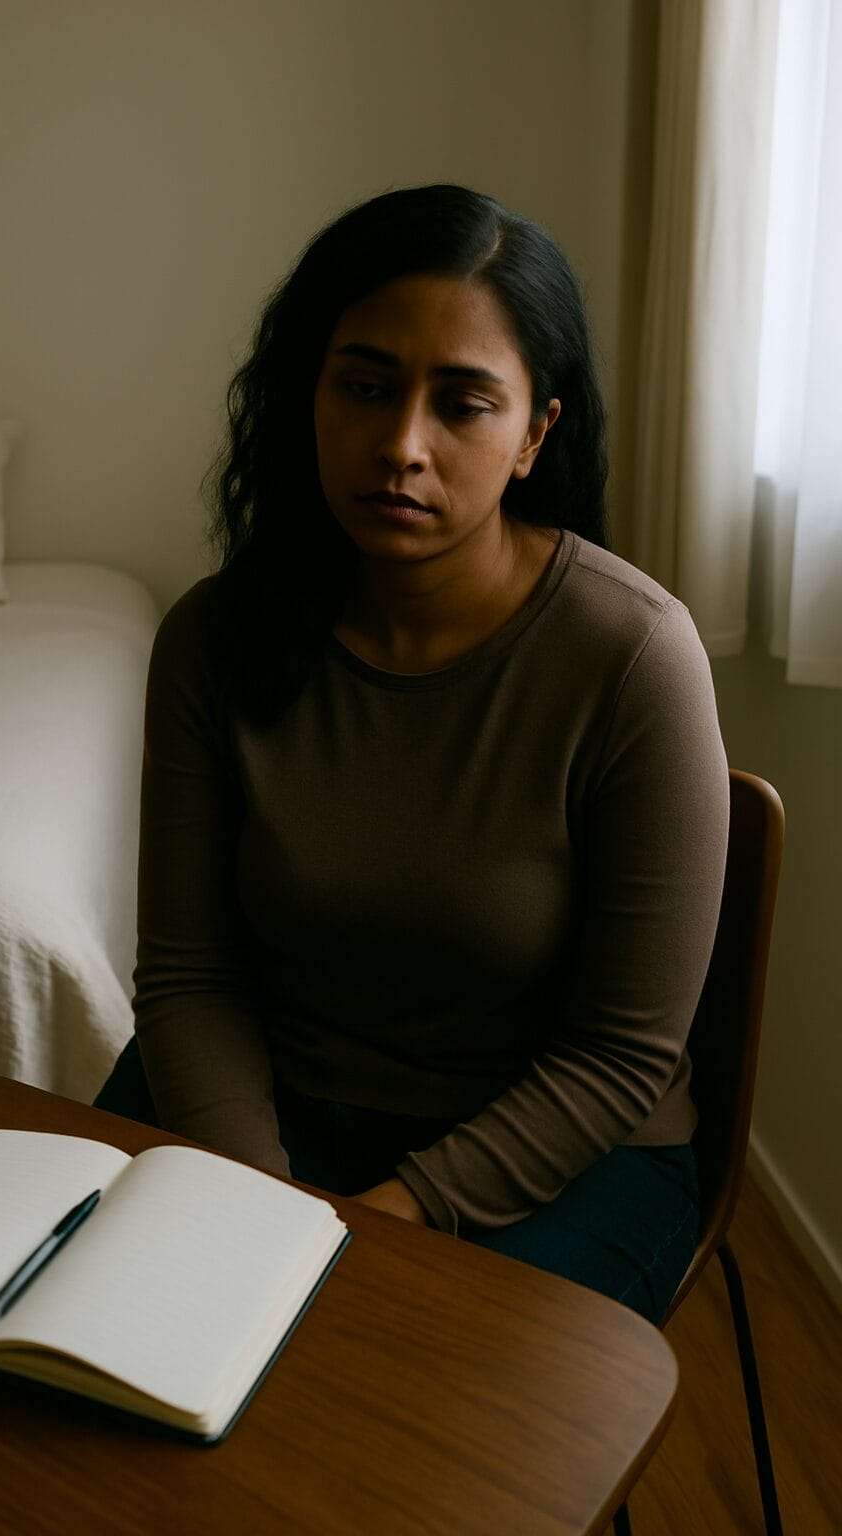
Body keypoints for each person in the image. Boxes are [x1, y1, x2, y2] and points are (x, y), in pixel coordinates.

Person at [95, 183, 730, 1326]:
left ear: (535, 431)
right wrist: (257, 1199)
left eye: (462, 404)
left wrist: (378, 1222)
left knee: (374, 1412)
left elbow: (620, 1055)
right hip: (264, 1117)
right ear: (310, 398)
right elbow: (191, 979)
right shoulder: (212, 637)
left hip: (562, 1155)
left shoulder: (632, 656)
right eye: (367, 387)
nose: (401, 446)